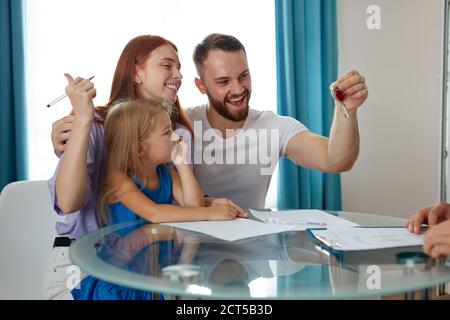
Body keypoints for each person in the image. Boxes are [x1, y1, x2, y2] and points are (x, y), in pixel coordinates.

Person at [51, 33, 369, 210]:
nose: (238, 89)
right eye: (223, 81)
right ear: (201, 86)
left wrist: (347, 110)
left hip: (244, 253)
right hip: (177, 256)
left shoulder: (272, 127)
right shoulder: (177, 129)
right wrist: (77, 130)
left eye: (243, 76)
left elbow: (336, 159)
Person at [43, 35, 243, 300]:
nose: (179, 75)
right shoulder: (93, 125)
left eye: (180, 67)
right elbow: (68, 203)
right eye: (168, 65)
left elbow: (183, 205)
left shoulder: (177, 133)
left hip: (149, 268)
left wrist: (207, 202)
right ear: (136, 72)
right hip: (83, 264)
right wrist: (83, 121)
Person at [71, 98, 243, 300]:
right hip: (121, 281)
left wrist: (182, 165)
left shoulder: (166, 172)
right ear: (139, 149)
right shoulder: (118, 179)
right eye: (166, 132)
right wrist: (210, 213)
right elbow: (154, 213)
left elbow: (193, 206)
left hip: (152, 277)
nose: (175, 138)